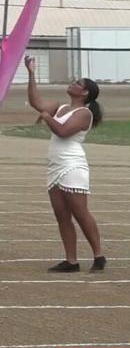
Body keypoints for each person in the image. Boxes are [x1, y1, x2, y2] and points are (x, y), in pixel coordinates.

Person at [25, 56, 106, 273]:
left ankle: (99, 255)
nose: (72, 83)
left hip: (73, 166)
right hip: (55, 165)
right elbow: (36, 102)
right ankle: (71, 261)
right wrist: (31, 73)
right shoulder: (59, 107)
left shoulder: (84, 113)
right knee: (61, 215)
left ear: (85, 93)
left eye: (78, 83)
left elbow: (63, 131)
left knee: (80, 212)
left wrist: (46, 117)